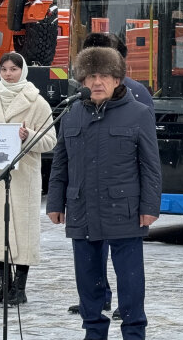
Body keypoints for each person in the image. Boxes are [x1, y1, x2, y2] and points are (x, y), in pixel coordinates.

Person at [47, 46, 161, 340]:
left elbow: (150, 166)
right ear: (82, 79)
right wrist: (55, 202)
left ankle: (134, 334)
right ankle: (94, 334)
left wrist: (150, 207)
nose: (97, 82)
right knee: (87, 276)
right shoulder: (71, 114)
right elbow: (60, 164)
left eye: (105, 76)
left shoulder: (138, 113)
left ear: (117, 78)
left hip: (123, 210)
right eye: (91, 76)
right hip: (82, 208)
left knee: (130, 278)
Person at [64, 31, 156, 319]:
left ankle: (129, 318)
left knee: (125, 264)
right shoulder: (76, 105)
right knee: (91, 258)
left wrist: (148, 205)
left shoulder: (137, 95)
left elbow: (148, 159)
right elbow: (64, 157)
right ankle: (97, 300)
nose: (96, 79)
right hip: (88, 200)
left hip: (121, 200)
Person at [0, 52, 56, 307]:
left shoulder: (37, 102)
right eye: (4, 69)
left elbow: (51, 141)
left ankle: (20, 288)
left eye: (14, 69)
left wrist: (27, 134)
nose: (9, 74)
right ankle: (4, 287)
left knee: (23, 232)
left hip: (22, 178)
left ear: (23, 70)